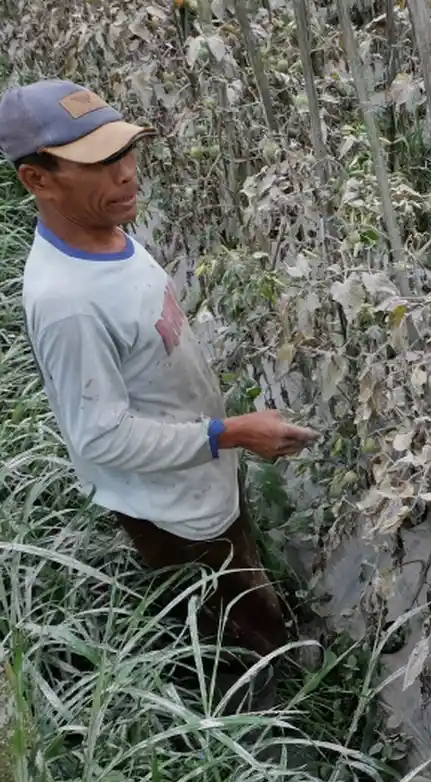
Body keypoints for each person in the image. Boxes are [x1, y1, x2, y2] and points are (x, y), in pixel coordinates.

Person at [0, 79, 319, 701]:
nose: (126, 173)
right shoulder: (68, 303)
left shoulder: (106, 231)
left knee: (237, 562)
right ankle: (269, 706)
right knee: (233, 615)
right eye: (99, 163)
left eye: (125, 152)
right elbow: (100, 438)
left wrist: (222, 439)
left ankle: (263, 643)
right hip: (172, 506)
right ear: (37, 179)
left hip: (196, 471)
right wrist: (229, 433)